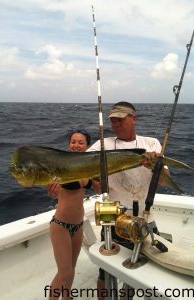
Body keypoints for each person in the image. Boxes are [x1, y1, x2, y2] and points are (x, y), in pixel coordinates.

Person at [87, 101, 169, 299]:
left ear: (134, 119)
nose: (115, 125)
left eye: (120, 120)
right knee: (105, 268)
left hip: (145, 214)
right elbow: (84, 174)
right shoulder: (101, 144)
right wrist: (93, 181)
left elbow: (166, 182)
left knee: (142, 266)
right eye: (113, 121)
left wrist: (155, 166)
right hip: (112, 213)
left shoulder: (151, 144)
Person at [48, 129, 94, 300]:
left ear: (87, 146)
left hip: (78, 225)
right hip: (61, 226)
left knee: (72, 268)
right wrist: (52, 191)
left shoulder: (88, 167)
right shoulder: (61, 166)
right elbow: (52, 190)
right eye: (73, 141)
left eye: (80, 142)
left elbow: (100, 186)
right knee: (64, 271)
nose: (76, 145)